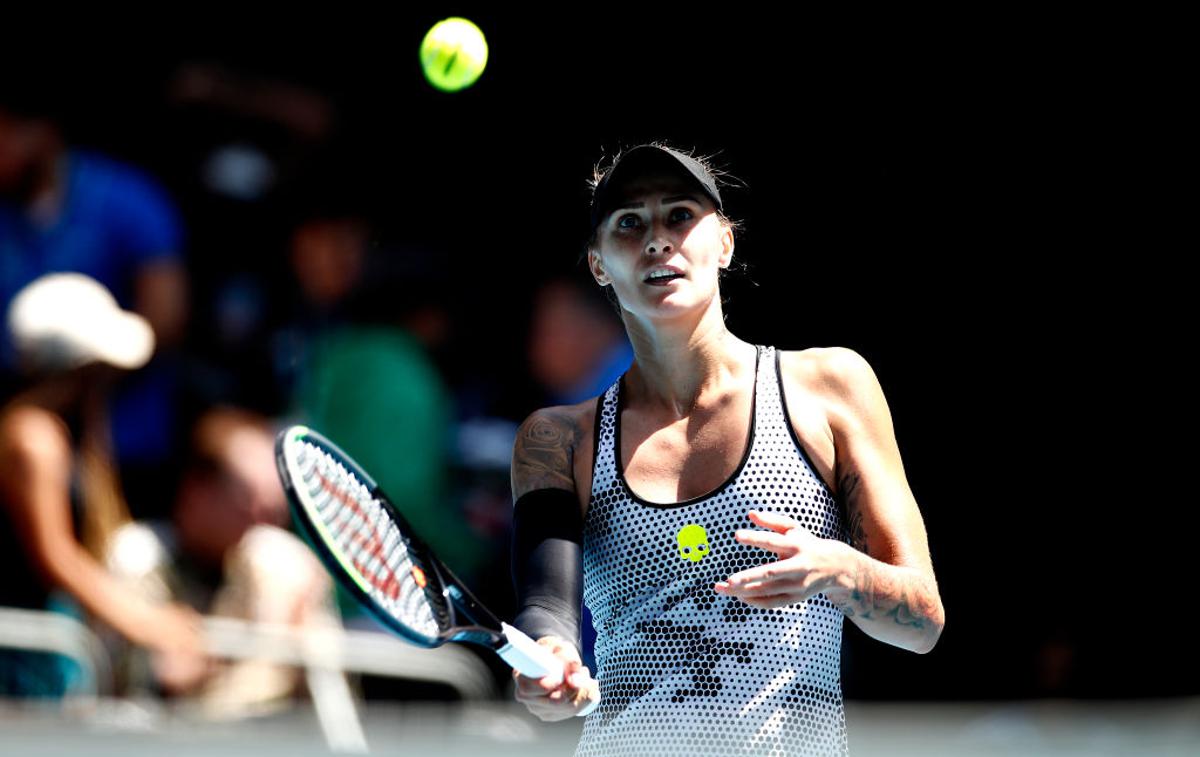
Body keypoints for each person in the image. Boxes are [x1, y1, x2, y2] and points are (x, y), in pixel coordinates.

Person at [509, 142, 945, 756]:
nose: (657, 239)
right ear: (598, 264)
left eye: (680, 215)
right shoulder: (558, 438)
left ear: (726, 244)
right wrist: (550, 659)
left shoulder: (829, 386)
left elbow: (923, 618)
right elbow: (547, 605)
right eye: (628, 223)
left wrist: (838, 570)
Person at [0, 273, 202, 698]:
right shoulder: (32, 439)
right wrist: (144, 622)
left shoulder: (72, 435)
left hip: (52, 638)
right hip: (24, 650)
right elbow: (53, 557)